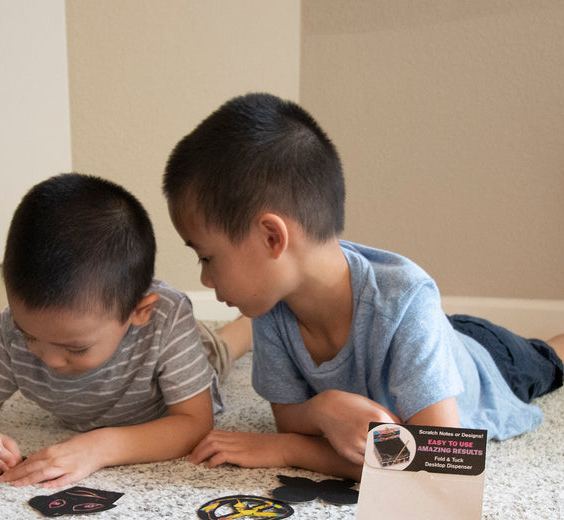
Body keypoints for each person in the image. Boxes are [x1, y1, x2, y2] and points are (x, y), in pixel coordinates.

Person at [162, 92, 564, 480]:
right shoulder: (270, 304)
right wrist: (323, 408)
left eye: (207, 258)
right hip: (436, 337)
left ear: (272, 238)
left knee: (547, 355)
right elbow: (290, 417)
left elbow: (439, 459)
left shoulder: (406, 301)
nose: (204, 279)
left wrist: (289, 450)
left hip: (491, 361)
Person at [0, 173, 252, 488]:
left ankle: (253, 324)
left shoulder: (166, 322)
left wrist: (98, 447)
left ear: (139, 312)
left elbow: (195, 425)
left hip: (178, 354)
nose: (49, 360)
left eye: (76, 348)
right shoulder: (14, 326)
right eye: (30, 336)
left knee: (221, 350)